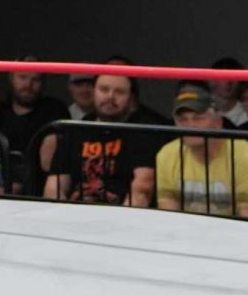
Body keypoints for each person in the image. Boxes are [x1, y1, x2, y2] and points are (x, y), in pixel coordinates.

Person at [151, 84, 248, 219]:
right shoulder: (167, 155)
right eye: (183, 119)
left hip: (235, 231)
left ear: (218, 122)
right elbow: (169, 218)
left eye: (198, 118)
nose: (190, 125)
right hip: (187, 231)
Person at [42, 70, 161, 208]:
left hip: (121, 214)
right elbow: (55, 185)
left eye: (119, 92)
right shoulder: (76, 129)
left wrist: (124, 220)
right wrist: (59, 215)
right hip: (74, 213)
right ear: (94, 92)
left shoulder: (142, 132)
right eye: (104, 89)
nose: (110, 96)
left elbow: (142, 188)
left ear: (131, 98)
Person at [0, 68, 67, 193]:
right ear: (11, 78)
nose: (28, 85)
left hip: (36, 192)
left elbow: (48, 163)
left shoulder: (54, 109)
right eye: (22, 77)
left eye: (36, 79)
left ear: (43, 83)